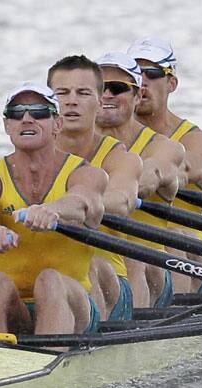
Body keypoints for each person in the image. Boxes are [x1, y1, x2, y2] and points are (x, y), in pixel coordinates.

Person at [0, 82, 108, 336]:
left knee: (50, 280)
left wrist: (53, 210)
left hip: (73, 303)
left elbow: (82, 202)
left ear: (57, 124)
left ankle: (51, 361)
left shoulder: (86, 173)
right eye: (17, 113)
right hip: (11, 305)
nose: (27, 119)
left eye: (39, 112)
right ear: (7, 126)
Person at [47, 54, 143, 321]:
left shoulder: (120, 158)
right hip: (42, 280)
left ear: (100, 102)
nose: (71, 101)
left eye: (83, 93)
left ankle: (85, 349)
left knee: (91, 265)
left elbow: (122, 201)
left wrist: (75, 207)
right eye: (62, 93)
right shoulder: (27, 160)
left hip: (106, 281)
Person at [127, 37, 202, 293]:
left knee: (175, 236)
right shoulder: (105, 139)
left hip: (188, 260)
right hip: (123, 252)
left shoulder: (197, 141)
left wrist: (156, 175)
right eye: (133, 74)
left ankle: (172, 323)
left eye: (152, 73)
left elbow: (185, 168)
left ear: (172, 83)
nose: (141, 82)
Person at [94, 52, 185, 309]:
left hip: (149, 268)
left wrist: (83, 201)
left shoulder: (164, 148)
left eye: (118, 88)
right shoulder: (72, 145)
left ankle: (129, 339)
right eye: (100, 88)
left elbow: (147, 178)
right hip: (87, 264)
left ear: (136, 96)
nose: (107, 95)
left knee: (129, 252)